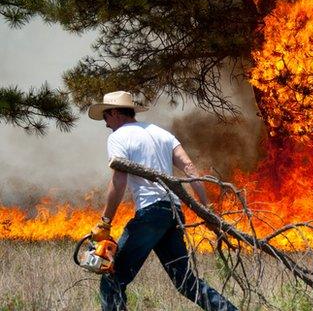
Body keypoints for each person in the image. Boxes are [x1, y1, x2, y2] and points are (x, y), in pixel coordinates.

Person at [87, 91, 238, 311]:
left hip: (151, 214)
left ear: (116, 113)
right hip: (173, 212)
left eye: (106, 117)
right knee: (186, 282)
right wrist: (207, 210)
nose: (105, 124)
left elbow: (118, 181)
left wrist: (105, 221)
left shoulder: (118, 137)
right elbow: (190, 169)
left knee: (112, 279)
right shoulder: (161, 133)